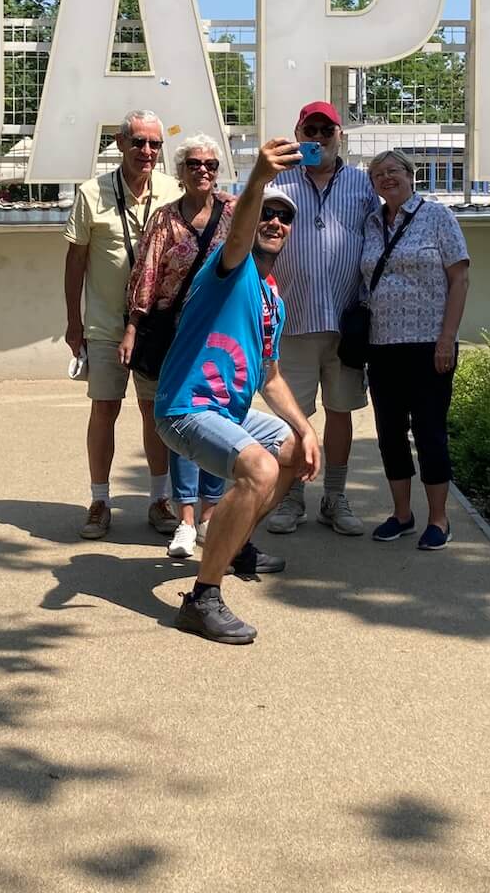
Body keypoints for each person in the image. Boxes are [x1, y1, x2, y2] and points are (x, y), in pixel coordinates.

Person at [156, 138, 320, 644]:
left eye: (284, 219)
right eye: (267, 214)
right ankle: (203, 598)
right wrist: (258, 181)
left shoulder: (273, 298)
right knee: (260, 466)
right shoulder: (229, 270)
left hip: (227, 412)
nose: (275, 223)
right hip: (185, 408)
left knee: (292, 449)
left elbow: (269, 376)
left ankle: (237, 544)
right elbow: (238, 236)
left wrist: (305, 426)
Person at [64, 111, 184, 540]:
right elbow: (76, 259)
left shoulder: (173, 189)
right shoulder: (91, 193)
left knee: (155, 413)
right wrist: (73, 322)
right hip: (104, 325)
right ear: (119, 143)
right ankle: (99, 501)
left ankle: (158, 500)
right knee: (104, 409)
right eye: (138, 142)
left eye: (154, 143)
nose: (146, 151)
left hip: (156, 329)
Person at [264, 100, 378, 539]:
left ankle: (335, 497)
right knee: (294, 418)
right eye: (309, 130)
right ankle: (292, 499)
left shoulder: (361, 185)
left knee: (341, 411)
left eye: (325, 131)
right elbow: (250, 226)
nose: (317, 138)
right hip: (292, 319)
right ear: (298, 132)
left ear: (338, 136)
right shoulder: (279, 181)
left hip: (345, 322)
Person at [123, 134, 236, 558]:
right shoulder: (164, 218)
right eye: (194, 164)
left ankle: (211, 514)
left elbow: (253, 266)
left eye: (210, 164)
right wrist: (133, 327)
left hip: (222, 337)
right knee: (182, 423)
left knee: (219, 422)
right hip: (177, 337)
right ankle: (185, 519)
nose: (203, 170)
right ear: (181, 171)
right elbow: (146, 275)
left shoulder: (233, 213)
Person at [359, 149, 470, 550]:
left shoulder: (437, 216)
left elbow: (459, 280)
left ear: (410, 175)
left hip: (428, 345)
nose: (386, 178)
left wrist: (447, 338)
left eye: (393, 171)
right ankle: (401, 514)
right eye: (377, 175)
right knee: (390, 433)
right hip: (382, 346)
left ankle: (439, 519)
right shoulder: (371, 224)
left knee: (430, 432)